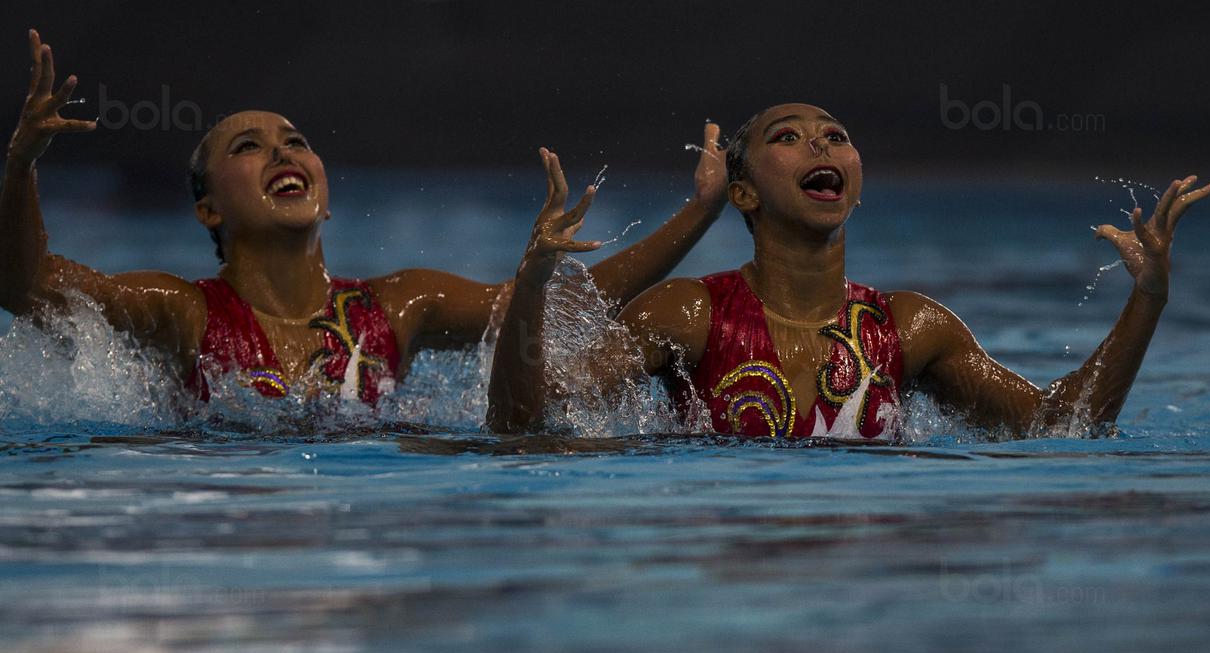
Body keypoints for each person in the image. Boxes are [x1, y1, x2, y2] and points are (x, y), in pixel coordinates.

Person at [0, 30, 728, 406]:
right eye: (248, 147)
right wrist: (21, 165)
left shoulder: (400, 304)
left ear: (320, 182)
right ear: (207, 207)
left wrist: (701, 212)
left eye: (296, 142)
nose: (282, 152)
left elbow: (569, 307)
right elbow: (23, 290)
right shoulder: (181, 312)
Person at [487, 103, 1210, 439]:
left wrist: (1147, 301)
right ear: (743, 192)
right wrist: (529, 287)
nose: (822, 146)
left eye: (836, 136)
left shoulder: (911, 327)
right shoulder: (690, 314)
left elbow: (1062, 428)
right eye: (789, 137)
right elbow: (524, 424)